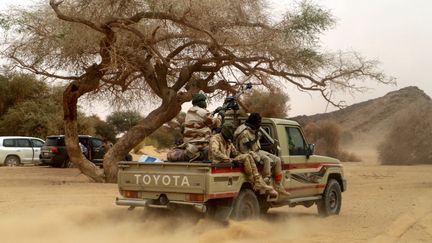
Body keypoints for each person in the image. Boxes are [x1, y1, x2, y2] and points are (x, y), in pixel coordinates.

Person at [209, 123, 277, 196]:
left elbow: (235, 152)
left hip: (226, 160)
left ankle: (257, 181)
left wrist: (248, 154)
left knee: (247, 156)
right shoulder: (215, 139)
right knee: (245, 157)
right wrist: (230, 160)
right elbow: (215, 152)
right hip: (217, 161)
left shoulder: (228, 141)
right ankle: (253, 181)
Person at [234, 113, 290, 196]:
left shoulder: (253, 129)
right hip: (248, 153)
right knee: (267, 160)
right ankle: (265, 183)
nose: (259, 124)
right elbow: (244, 151)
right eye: (258, 122)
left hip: (257, 150)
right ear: (253, 122)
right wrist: (257, 158)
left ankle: (278, 186)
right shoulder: (244, 133)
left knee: (277, 160)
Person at [183, 92, 221, 160]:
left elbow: (203, 119)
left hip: (189, 142)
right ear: (201, 102)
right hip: (201, 142)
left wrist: (214, 112)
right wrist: (220, 116)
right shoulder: (203, 112)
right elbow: (213, 122)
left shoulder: (189, 111)